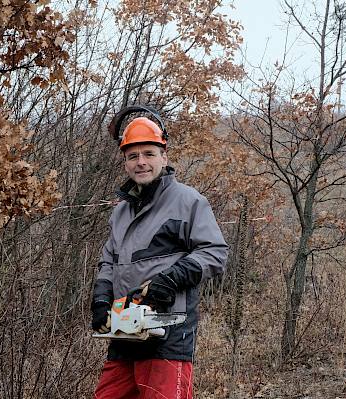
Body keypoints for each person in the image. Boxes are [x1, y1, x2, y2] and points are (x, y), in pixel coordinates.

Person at [91, 106, 228, 399]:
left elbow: (215, 252)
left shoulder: (188, 201)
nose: (141, 162)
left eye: (148, 154)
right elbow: (108, 261)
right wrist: (101, 297)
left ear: (164, 157)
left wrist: (171, 278)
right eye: (133, 156)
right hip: (125, 332)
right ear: (125, 162)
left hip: (168, 335)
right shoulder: (121, 212)